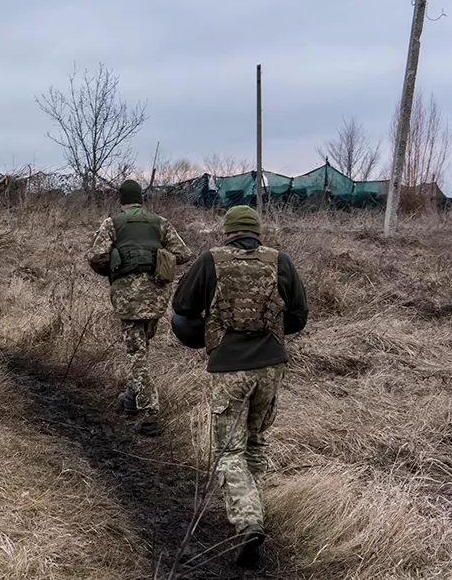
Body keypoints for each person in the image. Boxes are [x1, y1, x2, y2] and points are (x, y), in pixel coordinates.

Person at [171, 205, 308, 568]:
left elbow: (181, 306)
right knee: (256, 440)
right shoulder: (280, 261)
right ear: (257, 232)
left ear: (228, 231)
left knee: (229, 451)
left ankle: (248, 522)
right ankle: (254, 506)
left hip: (229, 366)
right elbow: (298, 316)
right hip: (271, 365)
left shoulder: (210, 260)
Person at [87, 180, 193, 436]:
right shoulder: (160, 222)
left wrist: (116, 268)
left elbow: (96, 257)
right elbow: (183, 253)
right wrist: (156, 263)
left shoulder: (113, 222)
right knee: (141, 347)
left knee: (136, 353)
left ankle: (151, 413)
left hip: (128, 297)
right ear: (141, 199)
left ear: (121, 200)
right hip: (156, 295)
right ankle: (131, 398)